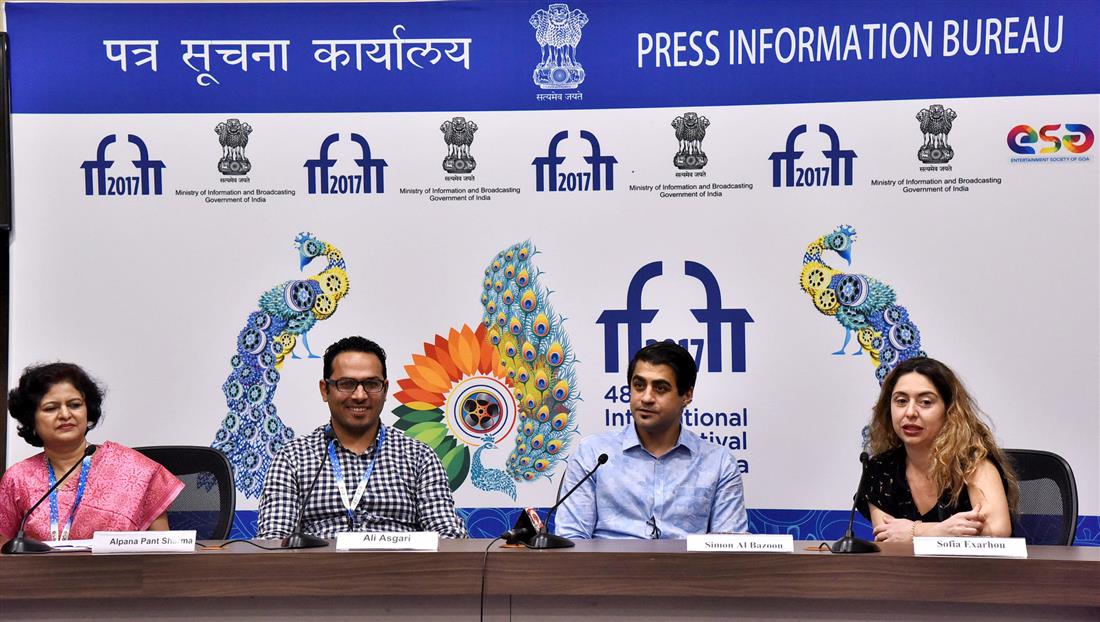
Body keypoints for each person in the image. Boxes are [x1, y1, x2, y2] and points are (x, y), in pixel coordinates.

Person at [257, 336, 466, 539]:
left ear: (385, 389)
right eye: (347, 384)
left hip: (402, 571)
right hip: (319, 572)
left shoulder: (419, 457)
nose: (359, 395)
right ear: (324, 389)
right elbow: (274, 543)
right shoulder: (292, 458)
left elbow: (450, 537)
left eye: (372, 384)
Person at [555, 341, 748, 539]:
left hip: (689, 569)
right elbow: (571, 540)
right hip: (607, 568)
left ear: (687, 395)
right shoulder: (593, 453)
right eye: (639, 385)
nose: (646, 398)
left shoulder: (718, 463)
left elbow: (730, 547)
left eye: (660, 388)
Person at [0, 363, 183, 546]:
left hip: (121, 573)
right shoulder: (18, 479)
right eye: (51, 408)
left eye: (75, 405)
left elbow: (163, 552)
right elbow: (4, 555)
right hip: (42, 575)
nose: (65, 414)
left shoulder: (137, 470)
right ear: (31, 419)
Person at [858, 357, 1019, 542]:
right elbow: (887, 536)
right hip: (907, 571)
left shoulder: (973, 460)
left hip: (977, 570)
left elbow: (996, 529)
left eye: (926, 402)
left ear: (949, 409)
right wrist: (940, 530)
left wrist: (915, 531)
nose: (910, 412)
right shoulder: (881, 468)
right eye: (901, 401)